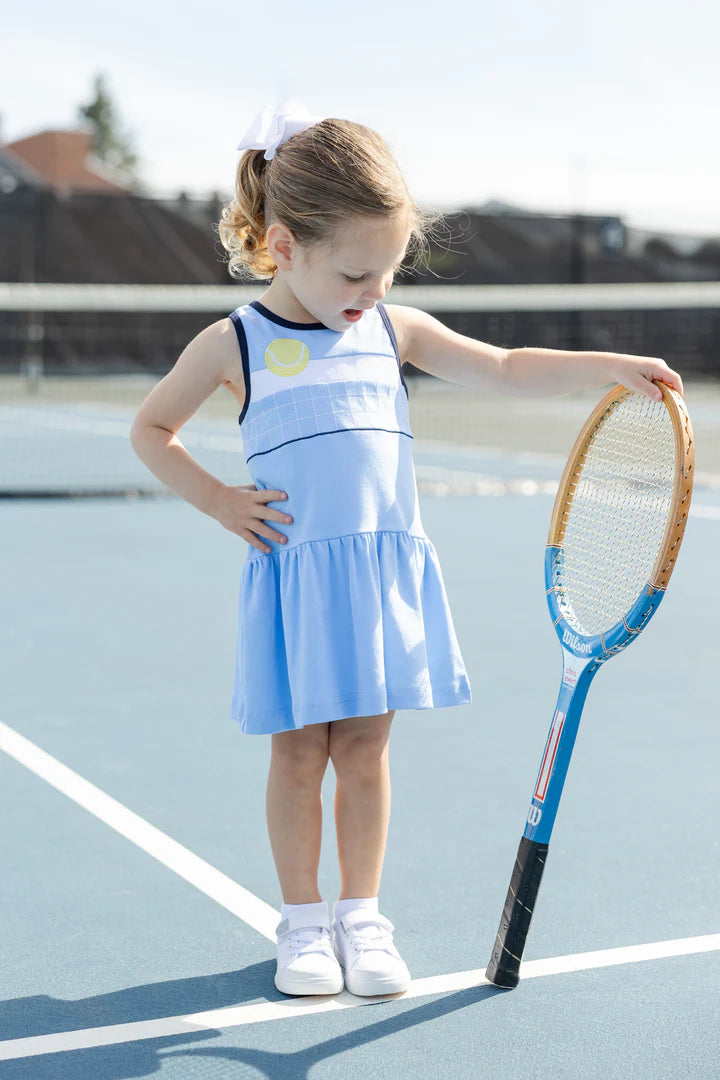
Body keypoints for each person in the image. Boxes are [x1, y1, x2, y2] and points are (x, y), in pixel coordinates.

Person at [129, 99, 684, 1000]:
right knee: (300, 755)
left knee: (365, 754)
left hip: (379, 580)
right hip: (297, 586)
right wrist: (221, 501)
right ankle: (303, 923)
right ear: (282, 245)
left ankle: (362, 914)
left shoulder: (391, 330)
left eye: (388, 270)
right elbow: (152, 429)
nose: (373, 291)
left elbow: (501, 366)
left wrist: (606, 367)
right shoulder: (235, 342)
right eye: (356, 271)